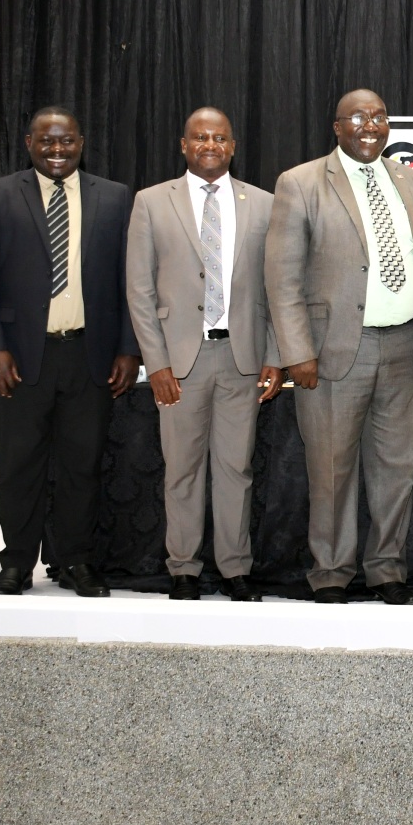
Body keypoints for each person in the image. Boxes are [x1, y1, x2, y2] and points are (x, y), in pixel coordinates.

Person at [265, 89, 413, 605]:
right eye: (359, 118)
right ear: (337, 126)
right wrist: (296, 352)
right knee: (333, 469)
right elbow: (282, 278)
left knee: (396, 467)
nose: (371, 126)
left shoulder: (410, 181)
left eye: (380, 117)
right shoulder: (300, 183)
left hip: (405, 346)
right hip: (335, 350)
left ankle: (387, 568)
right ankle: (332, 573)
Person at [0, 107, 140, 597]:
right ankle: (16, 561)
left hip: (91, 356)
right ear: (28, 143)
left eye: (66, 141)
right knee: (21, 464)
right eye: (46, 141)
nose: (56, 150)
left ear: (81, 142)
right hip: (20, 358)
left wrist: (129, 349)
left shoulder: (115, 197)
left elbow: (131, 279)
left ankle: (76, 560)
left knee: (82, 465)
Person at [126, 108, 283, 602]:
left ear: (232, 146)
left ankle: (236, 568)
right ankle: (184, 569)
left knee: (236, 469)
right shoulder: (152, 202)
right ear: (183, 144)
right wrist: (157, 363)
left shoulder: (263, 204)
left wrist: (276, 355)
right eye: (200, 137)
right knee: (183, 469)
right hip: (180, 363)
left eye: (219, 138)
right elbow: (139, 290)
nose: (209, 145)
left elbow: (278, 288)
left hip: (242, 359)